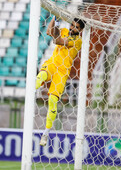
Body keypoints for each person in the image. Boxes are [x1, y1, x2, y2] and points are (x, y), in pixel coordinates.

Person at [36, 16, 86, 146]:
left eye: (76, 27)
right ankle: (29, 96)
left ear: (80, 30)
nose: (73, 28)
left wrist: (56, 25)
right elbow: (49, 31)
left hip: (62, 72)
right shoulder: (64, 30)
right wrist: (54, 20)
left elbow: (57, 40)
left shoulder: (78, 41)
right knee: (40, 76)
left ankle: (45, 134)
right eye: (72, 25)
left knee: (53, 101)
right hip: (52, 63)